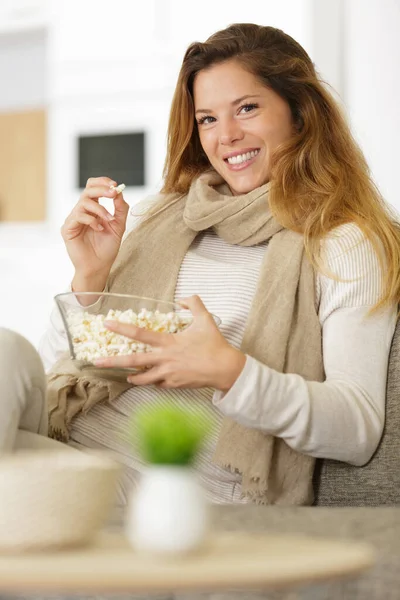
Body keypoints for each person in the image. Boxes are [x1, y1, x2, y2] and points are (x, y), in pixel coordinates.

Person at [2, 23, 399, 506]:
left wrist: (230, 371)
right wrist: (92, 279)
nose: (227, 135)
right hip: (71, 442)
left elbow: (357, 428)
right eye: (208, 118)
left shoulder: (342, 243)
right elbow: (58, 371)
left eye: (247, 108)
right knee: (6, 355)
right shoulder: (163, 214)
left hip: (176, 484)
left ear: (300, 113)